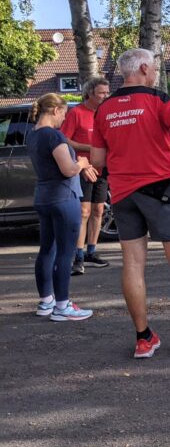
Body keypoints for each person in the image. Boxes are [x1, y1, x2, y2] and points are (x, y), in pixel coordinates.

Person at [91, 48, 170, 357]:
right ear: (145, 68)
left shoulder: (104, 108)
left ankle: (144, 338)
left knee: (133, 264)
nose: (157, 71)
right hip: (160, 190)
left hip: (122, 194)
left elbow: (97, 159)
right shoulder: (157, 99)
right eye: (156, 66)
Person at [26, 94, 94, 321]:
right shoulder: (54, 135)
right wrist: (82, 163)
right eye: (63, 114)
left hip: (43, 196)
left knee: (47, 249)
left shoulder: (33, 134)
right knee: (66, 253)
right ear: (55, 110)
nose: (64, 119)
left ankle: (46, 301)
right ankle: (63, 306)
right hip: (64, 198)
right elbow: (67, 169)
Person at [61, 76, 111, 274]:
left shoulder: (105, 113)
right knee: (84, 212)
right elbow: (64, 140)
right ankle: (78, 256)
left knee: (99, 211)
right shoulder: (77, 113)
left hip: (102, 169)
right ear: (90, 93)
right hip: (83, 168)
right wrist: (89, 149)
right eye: (101, 93)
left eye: (107, 93)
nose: (105, 96)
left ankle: (92, 251)